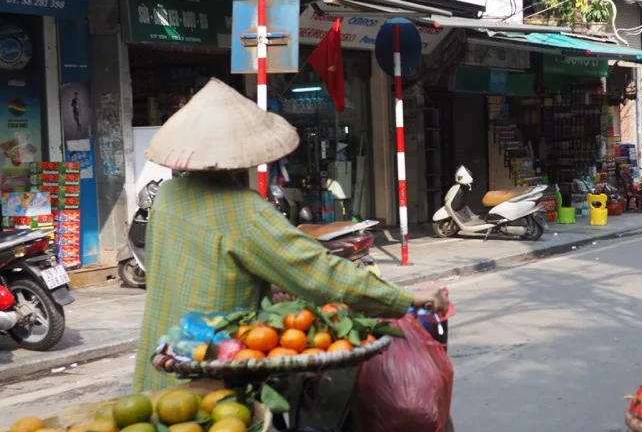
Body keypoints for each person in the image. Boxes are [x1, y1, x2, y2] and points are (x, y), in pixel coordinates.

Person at [132, 79, 448, 392]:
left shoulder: (168, 196)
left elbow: (202, 266)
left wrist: (265, 284)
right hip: (212, 381)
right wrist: (406, 298)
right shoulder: (246, 212)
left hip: (160, 365)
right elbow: (321, 274)